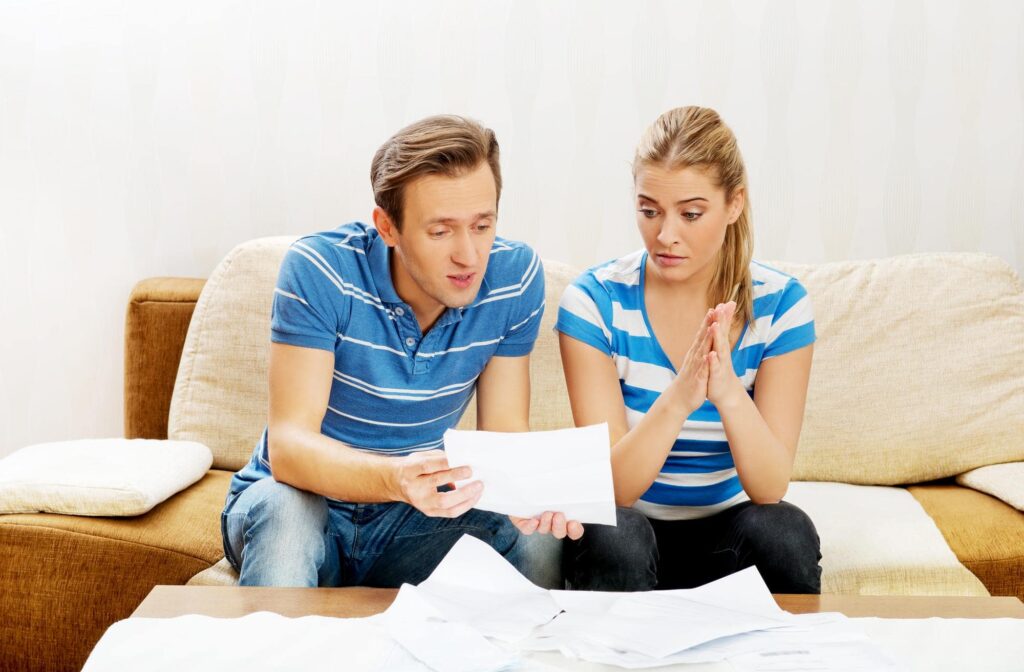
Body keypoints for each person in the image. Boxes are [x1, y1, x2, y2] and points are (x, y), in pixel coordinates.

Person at [222, 114, 582, 588]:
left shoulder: (513, 279)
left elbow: (503, 439)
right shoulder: (321, 270)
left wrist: (533, 494)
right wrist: (397, 478)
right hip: (299, 502)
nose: (469, 255)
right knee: (288, 512)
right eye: (441, 231)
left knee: (535, 535)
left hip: (412, 521)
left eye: (482, 225)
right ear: (387, 228)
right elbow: (290, 449)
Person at [556, 106, 821, 593]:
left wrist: (727, 392)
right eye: (649, 210)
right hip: (631, 527)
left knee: (785, 530)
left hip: (727, 533)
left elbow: (769, 487)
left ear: (734, 204)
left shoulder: (782, 305)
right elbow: (614, 489)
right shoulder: (594, 302)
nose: (666, 235)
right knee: (616, 534)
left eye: (691, 214)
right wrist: (680, 397)